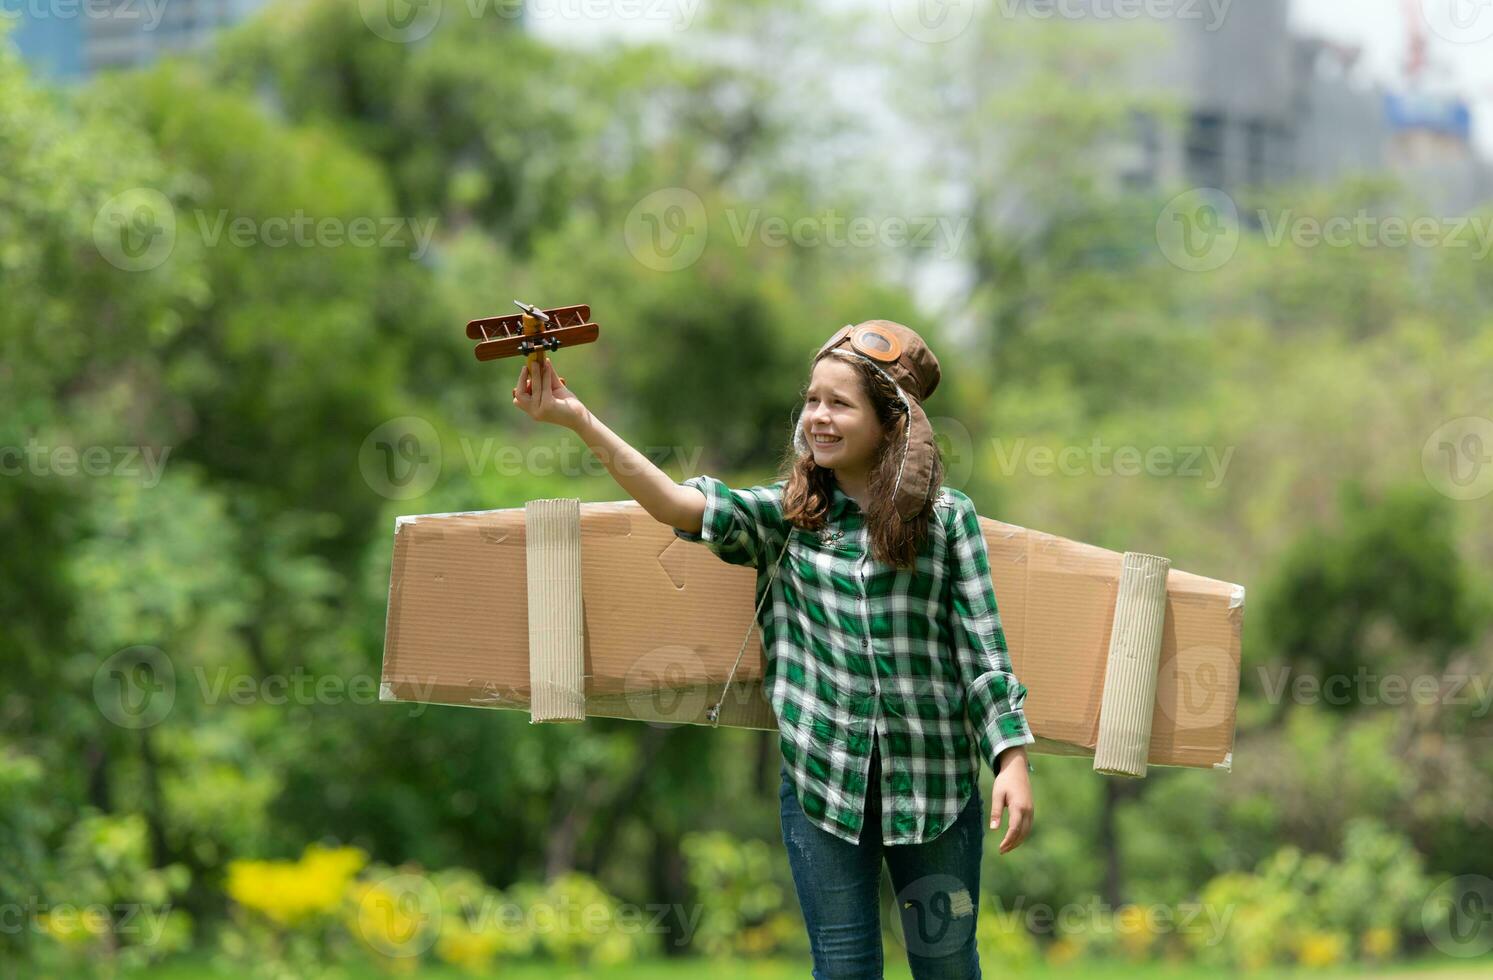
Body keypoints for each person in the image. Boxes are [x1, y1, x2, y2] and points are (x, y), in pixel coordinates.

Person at [511, 319, 1035, 980]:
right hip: (822, 786)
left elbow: (983, 650)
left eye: (839, 404)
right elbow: (676, 504)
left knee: (947, 966)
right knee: (842, 972)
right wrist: (577, 418)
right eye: (812, 400)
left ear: (890, 422)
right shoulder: (786, 521)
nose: (817, 416)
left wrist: (1011, 760)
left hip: (934, 788)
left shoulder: (947, 520)